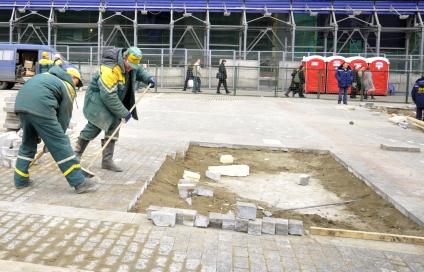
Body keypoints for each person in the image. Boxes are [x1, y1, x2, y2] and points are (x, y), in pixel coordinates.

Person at [14, 64, 99, 193]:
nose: (76, 85)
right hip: (40, 107)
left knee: (28, 143)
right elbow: (64, 118)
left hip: (21, 106)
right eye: (77, 81)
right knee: (61, 144)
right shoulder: (66, 85)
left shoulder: (46, 76)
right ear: (72, 77)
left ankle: (20, 180)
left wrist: (42, 134)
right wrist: (54, 140)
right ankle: (79, 182)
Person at [74, 47, 156, 172]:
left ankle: (107, 161)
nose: (131, 69)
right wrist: (124, 113)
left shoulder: (131, 64)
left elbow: (138, 70)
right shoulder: (109, 69)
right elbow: (108, 96)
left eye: (133, 66)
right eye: (130, 65)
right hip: (99, 99)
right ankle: (76, 155)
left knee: (114, 126)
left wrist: (148, 78)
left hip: (115, 98)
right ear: (124, 58)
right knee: (95, 125)